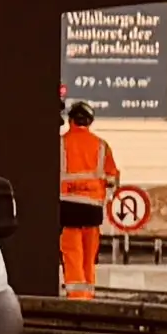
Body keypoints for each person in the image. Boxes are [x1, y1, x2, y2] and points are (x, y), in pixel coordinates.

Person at [54, 98, 116, 298]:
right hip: (93, 210)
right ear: (89, 122)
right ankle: (88, 296)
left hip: (68, 207)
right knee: (89, 257)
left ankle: (77, 297)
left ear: (71, 120)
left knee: (72, 253)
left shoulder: (61, 144)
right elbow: (112, 178)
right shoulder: (101, 146)